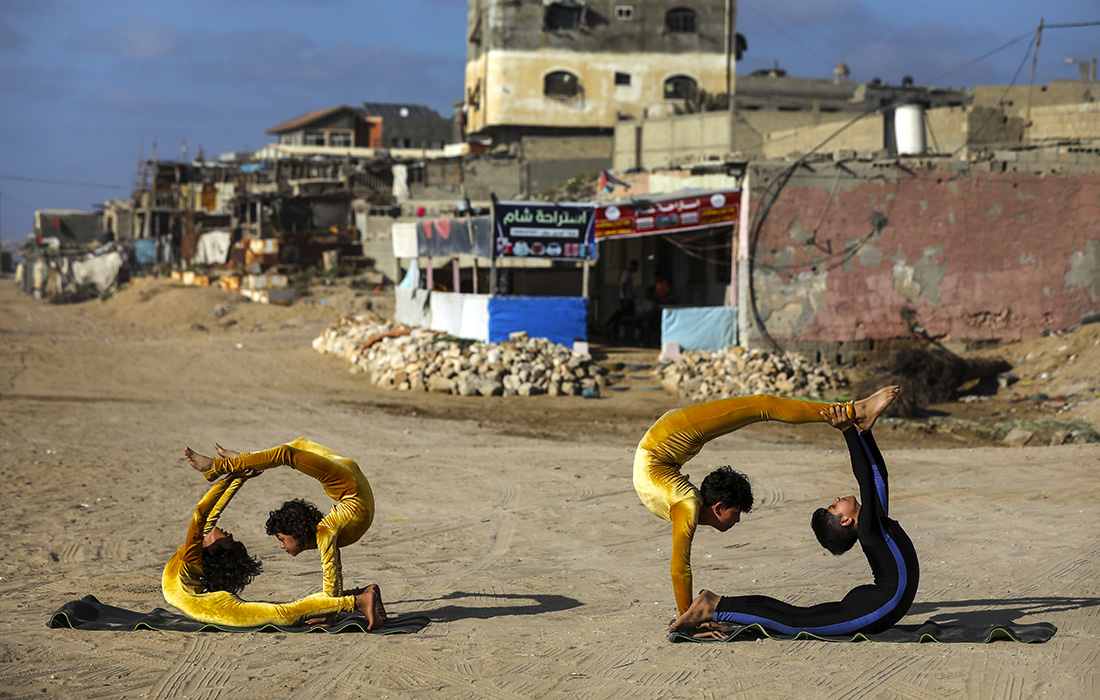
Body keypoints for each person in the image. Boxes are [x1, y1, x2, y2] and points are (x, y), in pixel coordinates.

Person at [669, 386, 920, 638]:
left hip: (875, 604)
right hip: (878, 607)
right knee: (794, 622)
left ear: (845, 520)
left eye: (833, 506)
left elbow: (875, 476)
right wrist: (853, 432)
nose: (836, 499)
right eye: (834, 505)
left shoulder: (873, 526)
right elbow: (870, 476)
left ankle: (715, 603)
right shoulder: (871, 527)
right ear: (846, 521)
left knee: (796, 617)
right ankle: (713, 608)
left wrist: (861, 433)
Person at [162, 469, 386, 628]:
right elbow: (205, 514)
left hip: (210, 605)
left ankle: (358, 600)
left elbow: (208, 513)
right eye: (229, 539)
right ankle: (356, 598)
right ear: (215, 549)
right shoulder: (193, 553)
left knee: (284, 613)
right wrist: (232, 479)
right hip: (211, 606)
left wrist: (237, 479)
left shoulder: (193, 553)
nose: (229, 533)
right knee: (283, 614)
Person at [183, 437, 373, 600]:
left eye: (281, 539)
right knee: (289, 451)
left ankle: (219, 466)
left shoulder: (325, 531)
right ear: (299, 532)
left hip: (352, 487)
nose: (281, 546)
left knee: (294, 448)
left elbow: (332, 574)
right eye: (281, 540)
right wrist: (333, 607)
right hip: (351, 487)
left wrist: (332, 609)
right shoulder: (325, 532)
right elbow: (332, 572)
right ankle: (237, 461)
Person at [607, 259, 639, 341]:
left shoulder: (629, 274)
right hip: (626, 299)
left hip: (628, 298)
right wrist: (625, 299)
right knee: (624, 317)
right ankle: (611, 330)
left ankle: (609, 327)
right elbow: (623, 286)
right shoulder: (626, 274)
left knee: (620, 316)